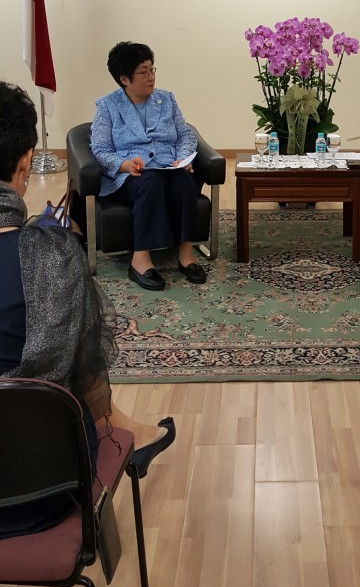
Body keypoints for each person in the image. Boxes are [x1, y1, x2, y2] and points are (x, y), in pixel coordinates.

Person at [0, 82, 176, 538]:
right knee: (75, 342)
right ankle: (124, 432)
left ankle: (127, 431)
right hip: (42, 492)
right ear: (25, 162)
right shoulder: (51, 256)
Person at [91, 41, 206, 289]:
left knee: (184, 180)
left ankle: (186, 254)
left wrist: (182, 158)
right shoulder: (107, 106)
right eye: (143, 72)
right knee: (150, 182)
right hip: (131, 175)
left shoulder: (166, 99)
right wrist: (124, 165)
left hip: (168, 166)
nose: (151, 77)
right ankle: (140, 259)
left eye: (152, 69)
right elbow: (100, 149)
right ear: (124, 79)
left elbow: (185, 135)